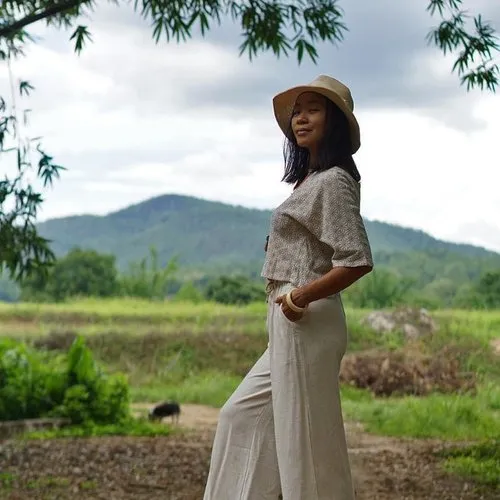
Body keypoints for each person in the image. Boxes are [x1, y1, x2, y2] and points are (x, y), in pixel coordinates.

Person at [203, 75, 374, 500]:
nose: (300, 118)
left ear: (332, 120)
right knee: (239, 417)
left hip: (306, 316)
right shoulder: (310, 180)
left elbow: (355, 260)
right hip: (287, 318)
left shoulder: (333, 180)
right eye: (297, 111)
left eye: (312, 109)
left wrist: (301, 295)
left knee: (306, 447)